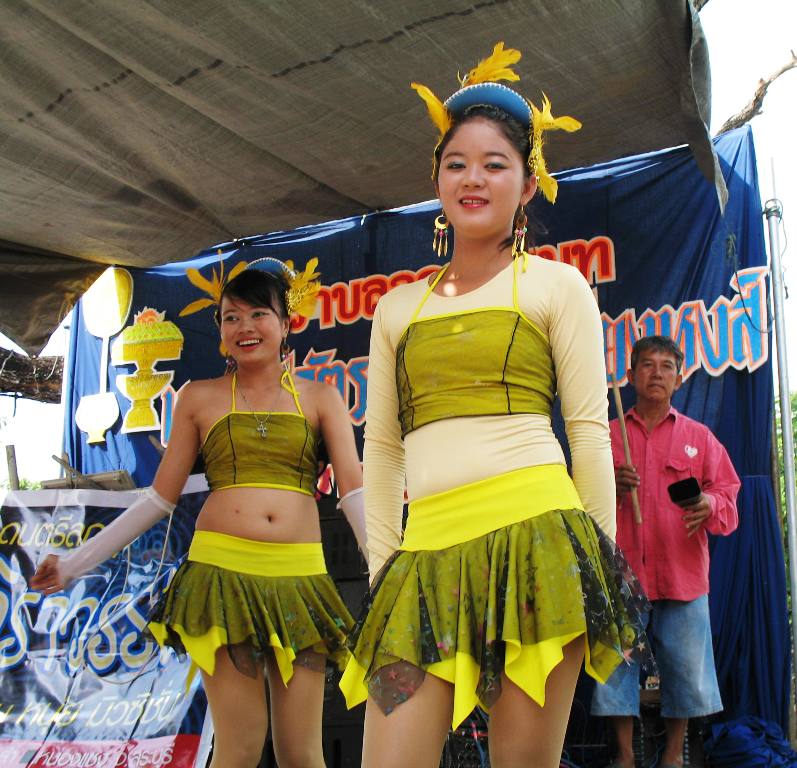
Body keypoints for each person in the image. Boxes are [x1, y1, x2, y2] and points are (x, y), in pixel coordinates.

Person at [339, 43, 649, 768]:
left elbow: (586, 433)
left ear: (527, 183)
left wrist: (593, 572)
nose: (472, 178)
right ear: (437, 180)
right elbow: (380, 450)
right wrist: (387, 566)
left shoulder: (556, 286)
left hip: (538, 546)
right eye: (456, 163)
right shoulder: (395, 309)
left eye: (493, 163)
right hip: (423, 557)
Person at [31, 259, 366, 768]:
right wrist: (74, 563)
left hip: (301, 580)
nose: (245, 328)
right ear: (220, 332)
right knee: (240, 746)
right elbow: (158, 499)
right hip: (222, 579)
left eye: (258, 314)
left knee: (302, 752)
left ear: (286, 323)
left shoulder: (322, 397)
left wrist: (389, 567)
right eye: (231, 318)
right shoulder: (198, 397)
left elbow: (354, 492)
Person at [592, 335, 739, 768]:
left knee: (685, 673)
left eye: (666, 366)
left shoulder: (700, 438)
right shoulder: (607, 435)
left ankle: (674, 756)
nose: (657, 373)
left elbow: (728, 495)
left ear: (678, 378)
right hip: (620, 575)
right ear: (632, 374)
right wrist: (606, 483)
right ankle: (625, 757)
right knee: (614, 673)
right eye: (647, 365)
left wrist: (707, 504)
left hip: (682, 574)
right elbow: (575, 497)